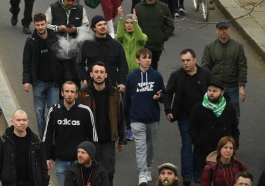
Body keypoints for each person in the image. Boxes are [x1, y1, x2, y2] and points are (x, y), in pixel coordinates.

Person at [165, 49, 213, 184]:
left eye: (188, 60)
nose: (185, 63)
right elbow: (168, 93)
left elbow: (215, 90)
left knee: (199, 145)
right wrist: (168, 110)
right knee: (187, 145)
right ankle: (187, 175)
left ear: (194, 60)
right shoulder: (176, 76)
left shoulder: (205, 75)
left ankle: (197, 172)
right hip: (184, 117)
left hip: (203, 117)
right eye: (183, 61)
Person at [78, 62, 126, 183]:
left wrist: (123, 138)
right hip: (89, 141)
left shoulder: (115, 93)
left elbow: (120, 116)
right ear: (91, 74)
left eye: (101, 72)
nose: (99, 75)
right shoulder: (83, 93)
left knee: (108, 173)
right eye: (96, 72)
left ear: (106, 75)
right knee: (89, 174)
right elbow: (78, 118)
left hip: (107, 141)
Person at [42, 81, 97, 186]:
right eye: (67, 91)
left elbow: (93, 137)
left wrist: (93, 159)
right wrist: (46, 156)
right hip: (61, 160)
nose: (69, 94)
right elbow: (47, 135)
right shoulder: (54, 110)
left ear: (76, 94)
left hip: (80, 160)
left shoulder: (85, 111)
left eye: (72, 91)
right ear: (62, 93)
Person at [125, 48, 165, 186]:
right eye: (144, 57)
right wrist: (126, 120)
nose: (147, 60)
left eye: (149, 58)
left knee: (151, 146)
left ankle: (148, 167)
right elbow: (127, 99)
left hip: (153, 118)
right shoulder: (131, 77)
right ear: (138, 60)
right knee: (140, 147)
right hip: (137, 118)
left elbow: (164, 96)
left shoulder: (157, 76)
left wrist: (159, 97)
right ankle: (141, 173)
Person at [188, 84, 240, 178]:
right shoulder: (198, 108)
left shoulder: (230, 109)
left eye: (215, 91)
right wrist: (198, 142)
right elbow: (192, 128)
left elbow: (235, 130)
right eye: (209, 90)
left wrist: (234, 145)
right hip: (204, 151)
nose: (211, 93)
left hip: (223, 151)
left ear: (222, 92)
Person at [0, 109, 46, 186]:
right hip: (10, 183)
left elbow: (43, 165)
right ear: (12, 122)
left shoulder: (35, 141)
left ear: (28, 122)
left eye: (24, 120)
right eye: (18, 120)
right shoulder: (4, 140)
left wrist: (45, 182)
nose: (22, 123)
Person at [22, 13, 61, 131]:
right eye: (38, 25)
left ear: (47, 23)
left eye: (42, 24)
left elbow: (63, 60)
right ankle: (43, 139)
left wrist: (65, 78)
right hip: (38, 82)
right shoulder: (31, 41)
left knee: (53, 112)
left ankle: (52, 138)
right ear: (34, 25)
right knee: (39, 113)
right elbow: (26, 62)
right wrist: (26, 81)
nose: (40, 27)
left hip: (54, 83)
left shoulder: (55, 39)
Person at [200, 20, 247, 117]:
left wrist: (242, 86)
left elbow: (242, 66)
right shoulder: (209, 47)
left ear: (229, 30)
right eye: (221, 29)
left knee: (234, 114)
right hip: (216, 87)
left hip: (232, 86)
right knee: (214, 114)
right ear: (216, 31)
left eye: (225, 28)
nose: (223, 31)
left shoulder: (238, 46)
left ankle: (233, 132)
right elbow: (205, 67)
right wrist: (210, 85)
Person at [134, 0, 174, 71]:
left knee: (154, 68)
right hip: (143, 46)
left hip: (157, 46)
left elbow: (170, 25)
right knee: (143, 68)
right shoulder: (138, 8)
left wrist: (162, 37)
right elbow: (133, 26)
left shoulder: (163, 7)